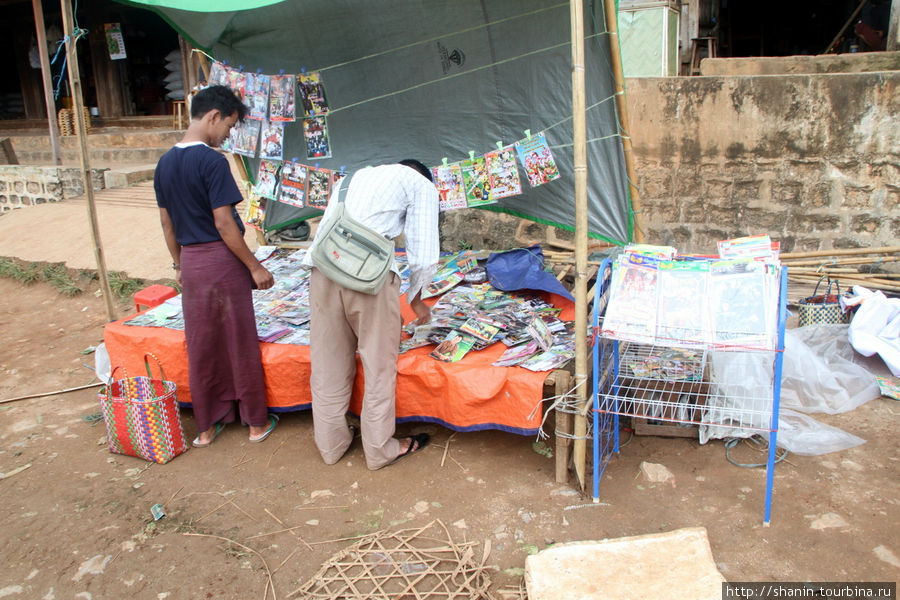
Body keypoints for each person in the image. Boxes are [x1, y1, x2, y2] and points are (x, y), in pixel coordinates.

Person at [154, 84, 278, 448]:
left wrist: (178, 263)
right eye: (229, 125)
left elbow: (166, 224)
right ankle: (255, 423)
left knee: (202, 343)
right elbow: (224, 224)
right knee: (239, 340)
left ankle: (206, 427)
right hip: (222, 262)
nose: (228, 134)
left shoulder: (164, 164)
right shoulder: (212, 161)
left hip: (191, 263)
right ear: (213, 116)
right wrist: (255, 266)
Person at [305, 160, 439, 469]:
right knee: (379, 368)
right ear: (422, 174)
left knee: (327, 364)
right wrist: (416, 299)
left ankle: (331, 446)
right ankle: (379, 450)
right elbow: (424, 252)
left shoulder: (352, 176)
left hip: (323, 272)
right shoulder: (420, 184)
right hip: (369, 280)